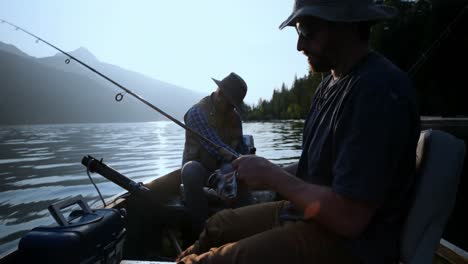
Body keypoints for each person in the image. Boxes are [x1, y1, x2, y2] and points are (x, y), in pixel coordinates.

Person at [177, 0, 420, 263]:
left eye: (307, 31)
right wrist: (263, 171)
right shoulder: (329, 84)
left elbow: (349, 218)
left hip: (349, 244)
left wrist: (271, 175)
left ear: (345, 25)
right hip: (307, 215)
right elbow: (314, 168)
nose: (299, 46)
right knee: (218, 225)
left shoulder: (378, 91)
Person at [181, 72, 251, 238]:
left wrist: (251, 159)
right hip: (201, 172)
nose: (232, 109)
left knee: (230, 169)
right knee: (190, 170)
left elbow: (240, 147)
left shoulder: (234, 118)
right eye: (231, 104)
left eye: (235, 105)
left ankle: (243, 229)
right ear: (220, 95)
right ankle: (201, 233)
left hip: (225, 169)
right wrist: (243, 161)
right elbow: (215, 147)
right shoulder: (197, 113)